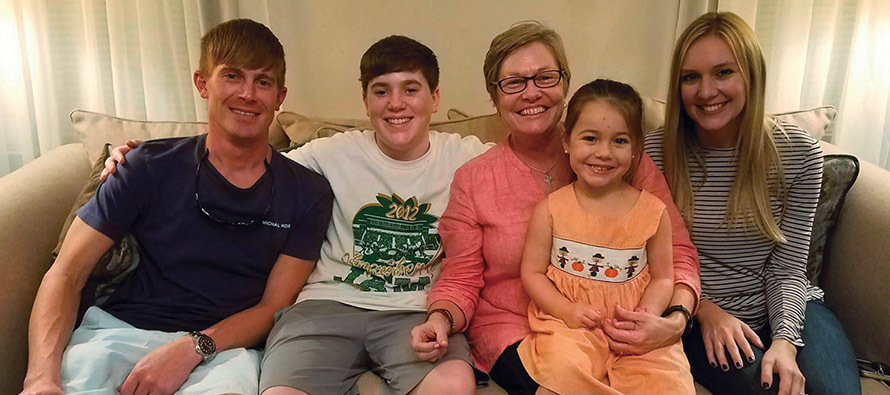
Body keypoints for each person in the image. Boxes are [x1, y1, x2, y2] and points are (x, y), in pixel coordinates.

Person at [101, 35, 489, 394]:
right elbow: (243, 164)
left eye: (411, 89)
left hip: (416, 312)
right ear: (366, 100)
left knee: (455, 385)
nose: (396, 103)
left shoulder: (468, 156)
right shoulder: (328, 154)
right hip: (324, 306)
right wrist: (133, 155)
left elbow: (530, 166)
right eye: (381, 91)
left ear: (435, 98)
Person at [20, 19, 333, 395]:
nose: (248, 94)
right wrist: (40, 380)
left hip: (224, 354)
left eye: (262, 82)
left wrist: (193, 347)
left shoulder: (308, 191)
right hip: (117, 335)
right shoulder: (144, 166)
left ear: (280, 97)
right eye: (233, 76)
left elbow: (273, 307)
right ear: (203, 83)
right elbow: (66, 273)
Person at [411, 21, 701, 393]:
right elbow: (461, 275)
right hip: (511, 327)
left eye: (545, 77)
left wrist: (674, 320)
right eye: (514, 82)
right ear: (494, 96)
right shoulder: (475, 179)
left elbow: (676, 252)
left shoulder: (617, 158)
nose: (532, 93)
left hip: (621, 323)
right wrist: (440, 317)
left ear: (565, 83)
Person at [644, 12, 861, 395]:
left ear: (752, 75)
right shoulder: (654, 154)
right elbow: (647, 264)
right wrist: (704, 310)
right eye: (691, 77)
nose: (706, 91)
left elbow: (790, 267)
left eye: (724, 72)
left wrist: (785, 341)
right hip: (697, 314)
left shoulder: (798, 154)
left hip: (787, 303)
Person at [518, 79, 695, 394]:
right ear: (567, 140)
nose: (603, 153)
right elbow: (531, 273)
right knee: (562, 372)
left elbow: (663, 278)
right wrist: (566, 311)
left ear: (636, 147)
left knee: (671, 383)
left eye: (620, 141)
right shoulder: (551, 209)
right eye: (590, 138)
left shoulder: (653, 212)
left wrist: (647, 315)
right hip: (571, 327)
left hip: (634, 329)